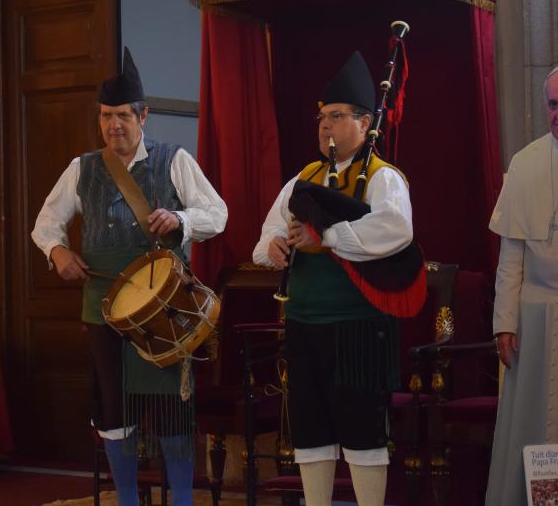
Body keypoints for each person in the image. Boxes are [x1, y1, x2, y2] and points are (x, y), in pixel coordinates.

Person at [31, 47, 227, 506]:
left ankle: (180, 502)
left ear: (144, 116)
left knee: (171, 417)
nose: (112, 125)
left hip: (165, 312)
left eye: (121, 115)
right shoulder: (83, 168)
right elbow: (46, 223)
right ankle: (127, 501)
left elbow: (218, 213)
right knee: (114, 415)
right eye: (104, 116)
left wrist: (181, 219)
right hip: (104, 308)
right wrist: (57, 250)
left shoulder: (173, 160)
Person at [253, 51, 419, 506]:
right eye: (323, 117)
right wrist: (274, 246)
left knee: (362, 431)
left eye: (338, 116)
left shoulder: (383, 179)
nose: (326, 125)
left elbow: (395, 230)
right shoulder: (304, 178)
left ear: (365, 124)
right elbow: (268, 230)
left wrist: (326, 237)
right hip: (304, 322)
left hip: (357, 327)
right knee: (310, 430)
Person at [485, 65, 558, 506]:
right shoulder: (525, 162)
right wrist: (504, 322)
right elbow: (511, 256)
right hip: (533, 321)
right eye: (553, 104)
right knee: (531, 423)